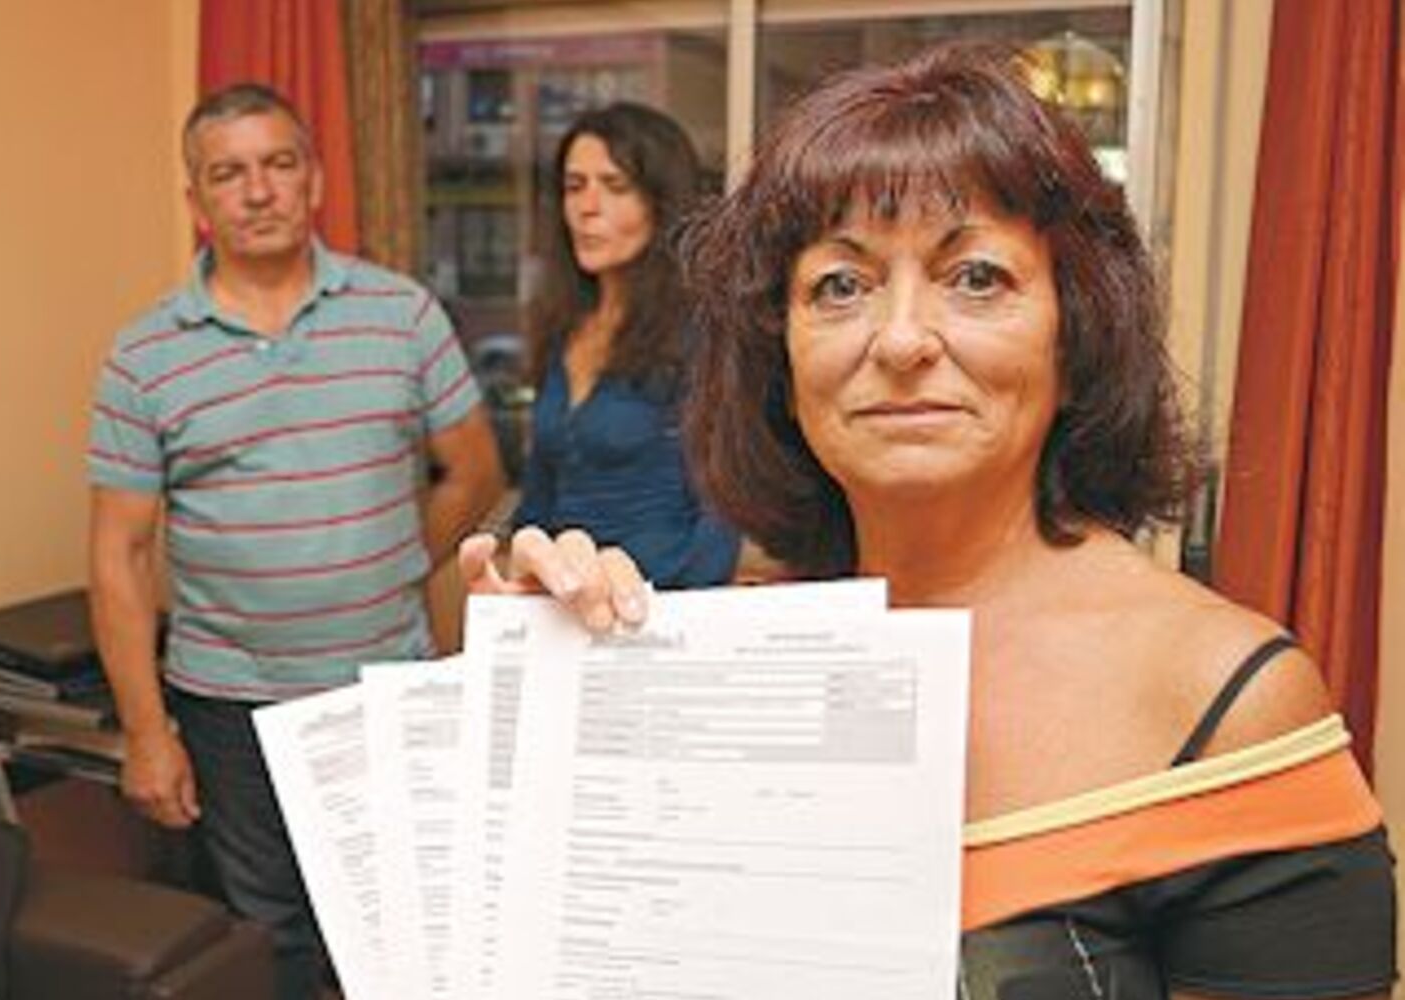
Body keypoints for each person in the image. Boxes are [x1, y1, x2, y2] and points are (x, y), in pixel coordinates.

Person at [463, 44, 1396, 997]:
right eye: (841, 285)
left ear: (1075, 333)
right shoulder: (725, 672)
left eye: (976, 277)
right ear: (780, 359)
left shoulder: (1222, 699)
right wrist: (545, 708)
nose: (902, 339)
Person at [88, 83, 503, 999]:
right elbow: (119, 554)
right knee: (266, 934)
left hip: (384, 684)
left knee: (401, 929)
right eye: (227, 173)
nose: (258, 191)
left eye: (279, 164)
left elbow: (474, 472)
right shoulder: (145, 355)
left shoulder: (401, 313)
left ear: (314, 180)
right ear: (197, 200)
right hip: (230, 707)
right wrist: (147, 733)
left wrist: (394, 564)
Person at [512, 102, 744, 588]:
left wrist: (667, 612)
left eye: (615, 186)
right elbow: (537, 503)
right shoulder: (562, 326)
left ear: (661, 202)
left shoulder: (701, 333)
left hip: (663, 602)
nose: (587, 206)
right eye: (574, 186)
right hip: (562, 602)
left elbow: (722, 520)